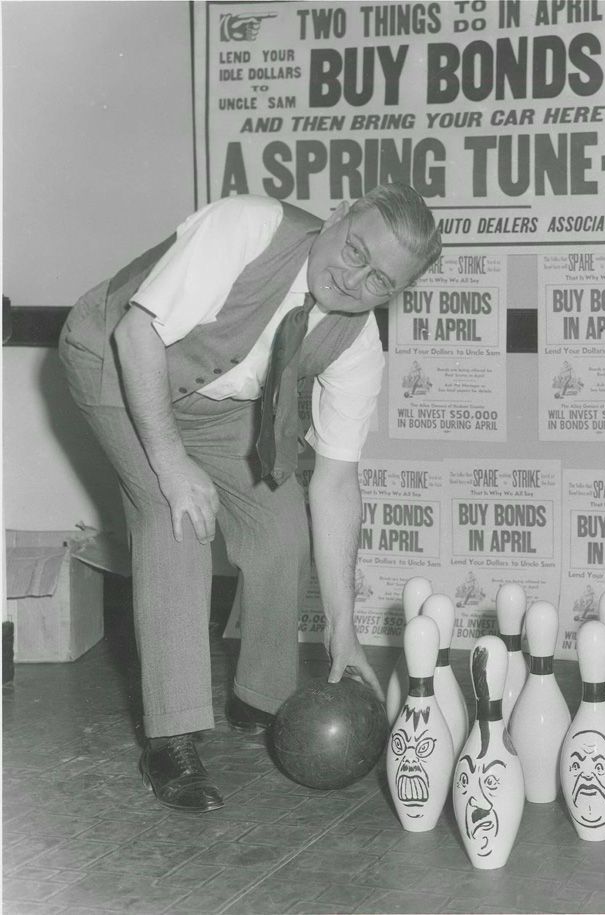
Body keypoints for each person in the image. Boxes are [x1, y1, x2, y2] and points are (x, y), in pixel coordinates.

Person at [59, 184, 441, 812]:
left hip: (213, 403)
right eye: (354, 251)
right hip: (112, 355)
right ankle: (171, 736)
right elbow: (137, 336)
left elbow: (336, 483)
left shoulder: (359, 344)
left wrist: (344, 630)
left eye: (381, 281)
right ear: (339, 215)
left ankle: (261, 698)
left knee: (281, 524)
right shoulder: (248, 227)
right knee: (174, 515)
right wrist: (171, 462)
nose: (354, 281)